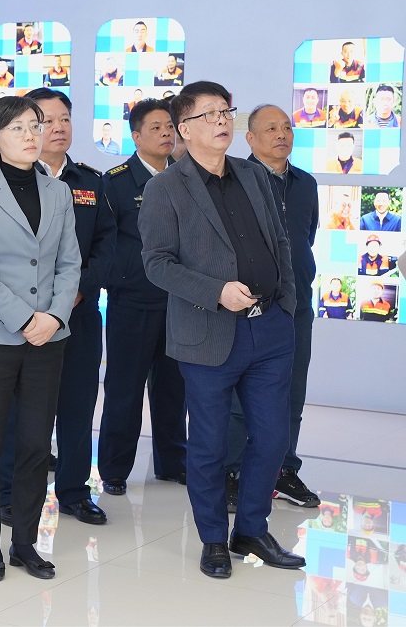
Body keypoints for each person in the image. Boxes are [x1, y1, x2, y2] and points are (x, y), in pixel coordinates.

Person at [139, 80, 304, 580]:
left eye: (226, 111)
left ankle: (251, 529)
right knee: (209, 446)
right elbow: (156, 263)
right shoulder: (166, 187)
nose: (221, 120)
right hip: (208, 332)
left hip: (270, 328)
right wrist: (215, 292)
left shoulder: (252, 175)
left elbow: (280, 242)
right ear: (184, 129)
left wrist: (287, 302)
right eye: (209, 114)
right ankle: (213, 538)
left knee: (272, 437)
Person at [0, 96, 80, 582]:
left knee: (34, 445)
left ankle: (25, 541)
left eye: (35, 125)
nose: (31, 135)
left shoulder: (59, 192)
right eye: (18, 128)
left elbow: (70, 263)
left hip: (49, 338)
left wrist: (52, 317)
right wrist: (25, 319)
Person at [17, 88, 115, 525]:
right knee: (22, 410)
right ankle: (14, 493)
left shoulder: (90, 182)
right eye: (46, 121)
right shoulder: (4, 181)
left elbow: (108, 245)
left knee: (77, 405)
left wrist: (77, 290)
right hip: (25, 318)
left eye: (65, 119)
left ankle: (74, 492)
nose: (57, 128)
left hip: (79, 312)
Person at [226, 105, 319, 513]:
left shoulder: (306, 184)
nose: (281, 135)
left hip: (296, 306)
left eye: (287, 128)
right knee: (239, 397)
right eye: (271, 128)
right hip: (247, 305)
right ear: (250, 138)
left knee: (292, 392)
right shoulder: (232, 180)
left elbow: (305, 237)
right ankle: (231, 472)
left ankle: (283, 469)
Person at [100, 99, 186, 497]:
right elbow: (102, 241)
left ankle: (173, 463)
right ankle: (114, 469)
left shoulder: (186, 177)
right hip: (132, 301)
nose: (166, 133)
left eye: (170, 126)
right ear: (136, 136)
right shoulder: (115, 182)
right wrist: (118, 279)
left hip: (180, 301)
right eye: (156, 127)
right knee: (125, 389)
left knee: (174, 390)